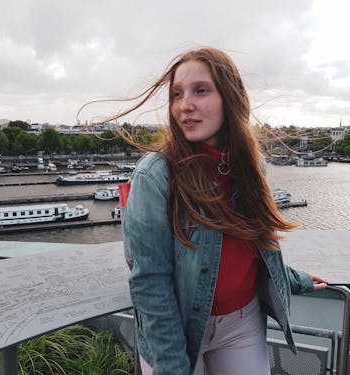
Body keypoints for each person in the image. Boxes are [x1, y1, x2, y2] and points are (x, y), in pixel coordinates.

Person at [111, 47, 327, 375]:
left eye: (201, 90)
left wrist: (292, 278)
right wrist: (171, 366)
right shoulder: (154, 176)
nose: (185, 105)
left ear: (230, 97)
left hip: (242, 323)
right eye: (177, 94)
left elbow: (252, 249)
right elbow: (150, 281)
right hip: (178, 329)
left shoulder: (252, 165)